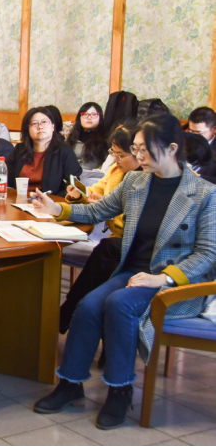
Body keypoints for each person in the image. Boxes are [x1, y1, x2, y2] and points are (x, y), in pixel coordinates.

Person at [31, 114, 216, 430]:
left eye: (144, 149)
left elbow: (208, 254)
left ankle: (120, 390)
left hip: (173, 283)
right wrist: (58, 208)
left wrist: (163, 277)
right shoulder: (136, 182)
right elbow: (98, 210)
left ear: (172, 149)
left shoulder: (204, 194)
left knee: (118, 304)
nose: (138, 156)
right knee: (88, 304)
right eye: (136, 149)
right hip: (132, 273)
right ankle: (70, 383)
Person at [59, 125, 142, 333]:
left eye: (121, 155)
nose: (116, 160)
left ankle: (71, 310)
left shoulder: (145, 178)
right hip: (115, 241)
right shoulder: (116, 171)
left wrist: (108, 210)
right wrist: (79, 194)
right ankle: (76, 312)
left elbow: (137, 221)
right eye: (113, 153)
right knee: (106, 254)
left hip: (133, 245)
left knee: (106, 253)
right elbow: (94, 194)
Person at [5, 107, 82, 197]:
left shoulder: (64, 152)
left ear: (52, 126)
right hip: (19, 200)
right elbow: (6, 178)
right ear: (28, 129)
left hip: (51, 201)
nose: (40, 126)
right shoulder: (19, 150)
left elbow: (71, 186)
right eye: (35, 123)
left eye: (44, 122)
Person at [67, 102, 108, 170]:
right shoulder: (73, 137)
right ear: (79, 118)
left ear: (100, 117)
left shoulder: (105, 139)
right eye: (85, 114)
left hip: (93, 175)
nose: (89, 117)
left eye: (94, 114)